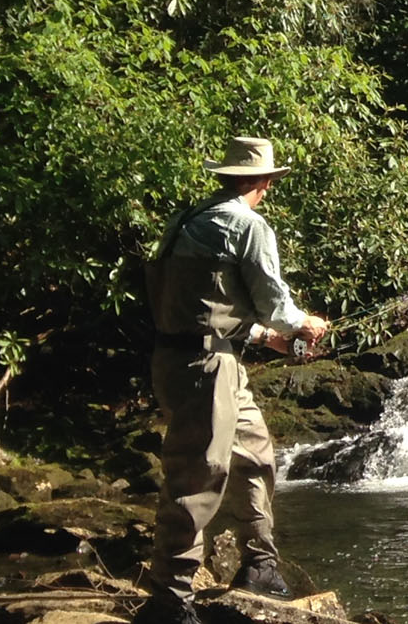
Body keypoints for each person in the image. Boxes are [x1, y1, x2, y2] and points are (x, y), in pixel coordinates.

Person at [139, 136, 329, 624]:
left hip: (189, 360)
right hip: (207, 369)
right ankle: (169, 600)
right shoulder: (248, 225)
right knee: (196, 479)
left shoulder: (188, 219)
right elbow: (275, 303)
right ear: (261, 181)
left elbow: (203, 303)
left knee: (255, 454)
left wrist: (267, 338)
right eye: (269, 180)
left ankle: (260, 566)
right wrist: (305, 325)